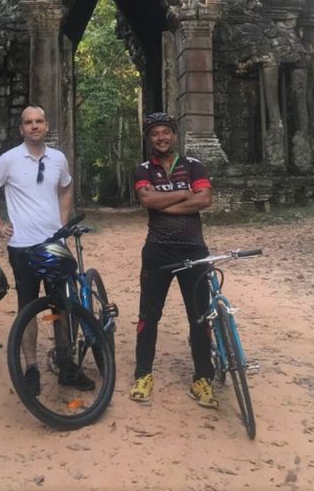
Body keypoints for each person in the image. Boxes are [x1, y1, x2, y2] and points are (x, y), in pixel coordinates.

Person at [0, 104, 93, 394]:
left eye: (39, 121)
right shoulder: (8, 159)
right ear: (22, 129)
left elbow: (67, 187)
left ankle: (67, 364)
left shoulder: (58, 159)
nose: (34, 126)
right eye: (28, 122)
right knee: (28, 309)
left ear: (46, 126)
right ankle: (31, 367)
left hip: (53, 244)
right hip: (22, 246)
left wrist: (62, 222)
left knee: (63, 305)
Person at [129, 112, 218, 408]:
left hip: (193, 249)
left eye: (166, 132)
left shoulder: (194, 165)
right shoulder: (143, 169)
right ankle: (143, 374)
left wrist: (164, 204)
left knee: (200, 316)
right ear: (148, 139)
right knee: (148, 316)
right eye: (155, 134)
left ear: (174, 135)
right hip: (158, 250)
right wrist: (182, 193)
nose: (161, 138)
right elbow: (147, 200)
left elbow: (204, 199)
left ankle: (202, 378)